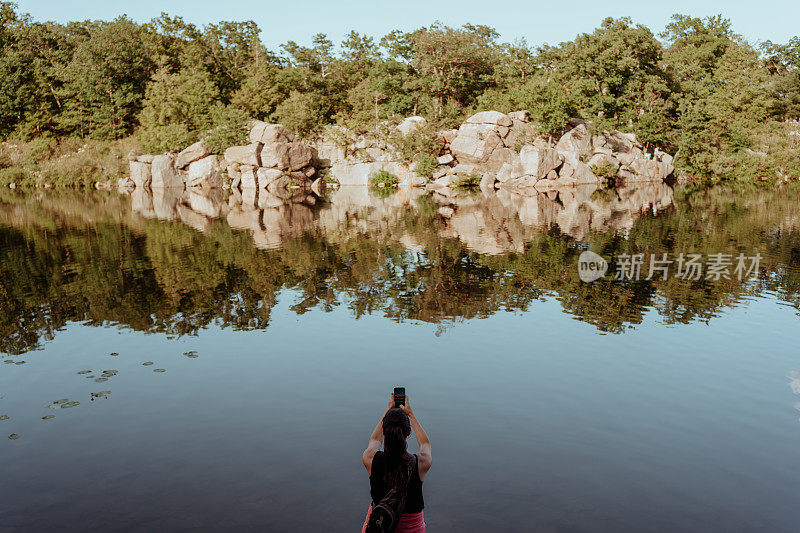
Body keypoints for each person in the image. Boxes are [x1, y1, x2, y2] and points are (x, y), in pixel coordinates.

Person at [361, 393, 432, 533]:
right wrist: (410, 414)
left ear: (384, 430)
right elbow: (425, 443)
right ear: (408, 432)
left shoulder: (370, 458)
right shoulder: (421, 462)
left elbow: (375, 440)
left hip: (378, 526)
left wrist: (388, 412)